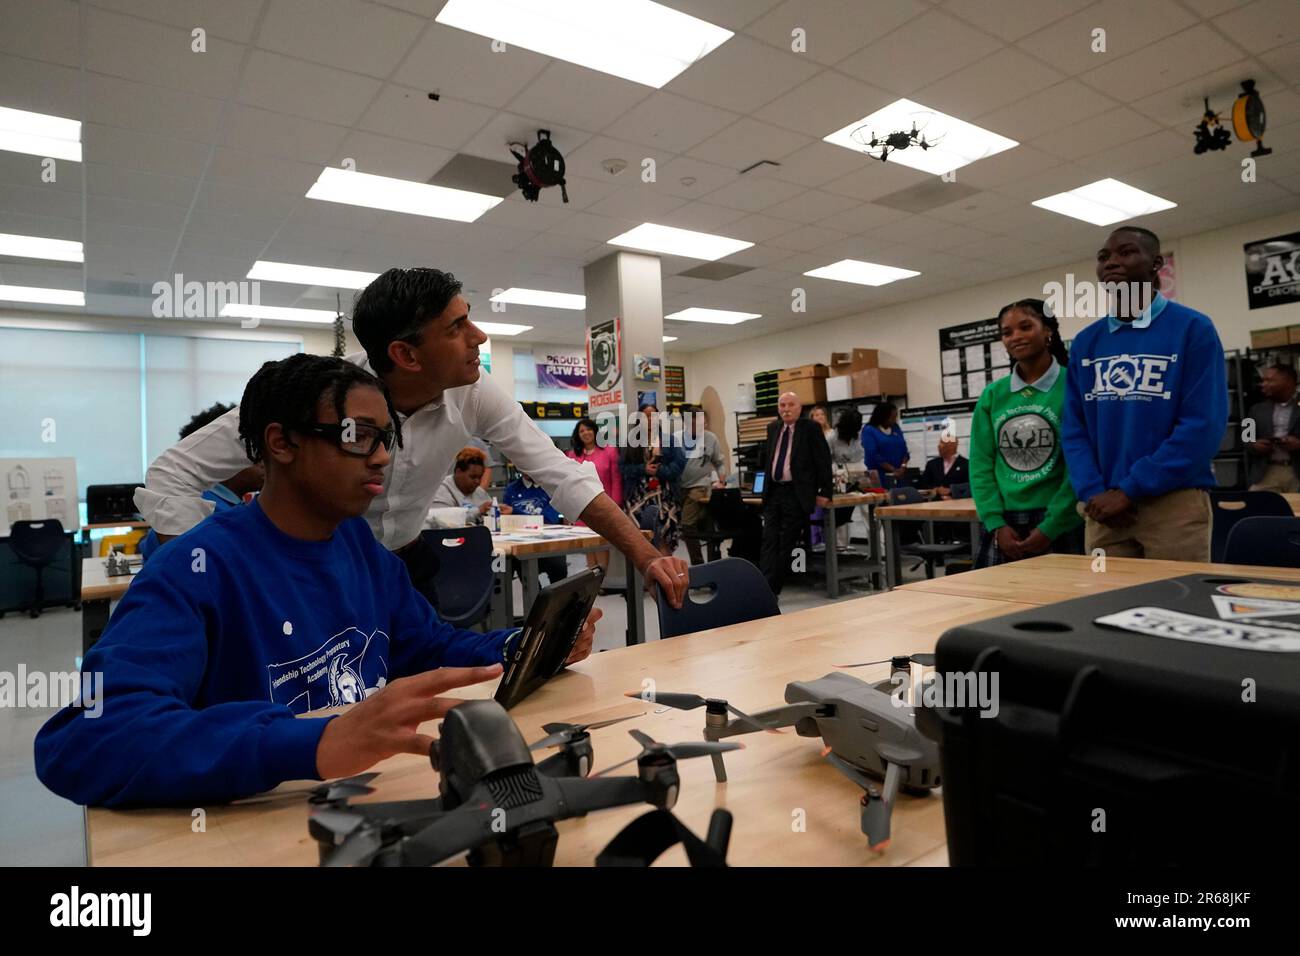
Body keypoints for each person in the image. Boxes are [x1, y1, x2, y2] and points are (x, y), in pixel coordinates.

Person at [34, 355, 601, 807]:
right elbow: (87, 739)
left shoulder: (359, 545)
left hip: (361, 805)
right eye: (358, 435)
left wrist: (522, 645)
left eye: (386, 438)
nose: (381, 458)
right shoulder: (197, 566)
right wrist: (314, 742)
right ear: (281, 443)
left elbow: (427, 647)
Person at [134, 268, 690, 610]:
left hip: (402, 565)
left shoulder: (475, 393)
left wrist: (644, 554)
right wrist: (230, 559)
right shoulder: (310, 398)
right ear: (404, 355)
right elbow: (168, 477)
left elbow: (560, 475)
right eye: (456, 328)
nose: (480, 336)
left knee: (424, 685)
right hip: (316, 573)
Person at [1062, 225, 1227, 561]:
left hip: (1172, 503)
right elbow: (1074, 430)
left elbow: (1202, 426)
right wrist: (1095, 493)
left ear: (1156, 265)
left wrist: (1131, 489)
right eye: (1104, 257)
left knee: (1177, 606)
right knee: (1103, 608)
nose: (1111, 262)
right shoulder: (1085, 342)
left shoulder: (1193, 329)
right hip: (1103, 509)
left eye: (1126, 252)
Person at [970, 298, 1083, 567]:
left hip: (1060, 518)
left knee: (1066, 606)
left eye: (1025, 327)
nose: (1015, 337)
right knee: (999, 606)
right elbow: (981, 464)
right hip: (1004, 524)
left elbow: (1080, 462)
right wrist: (995, 522)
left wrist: (1052, 525)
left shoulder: (1075, 385)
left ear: (1048, 331)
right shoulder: (993, 395)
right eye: (1007, 332)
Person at [138, 402, 265, 560]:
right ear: (219, 458)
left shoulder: (235, 506)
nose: (263, 463)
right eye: (249, 456)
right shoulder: (196, 508)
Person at [759, 391, 832, 596]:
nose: (786, 409)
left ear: (800, 408)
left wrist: (825, 491)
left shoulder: (810, 428)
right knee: (768, 540)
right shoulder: (773, 428)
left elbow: (823, 461)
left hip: (796, 492)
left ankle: (773, 589)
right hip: (774, 491)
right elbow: (770, 460)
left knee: (786, 541)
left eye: (791, 404)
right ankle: (763, 585)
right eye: (782, 405)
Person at [622, 404, 685, 558]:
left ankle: (667, 578)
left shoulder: (670, 440)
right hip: (638, 497)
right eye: (645, 416)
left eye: (653, 416)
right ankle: (651, 577)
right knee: (642, 540)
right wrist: (644, 469)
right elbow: (624, 468)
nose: (650, 420)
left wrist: (659, 471)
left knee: (664, 537)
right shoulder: (631, 441)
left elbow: (679, 466)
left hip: (665, 496)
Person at [566, 416, 622, 573]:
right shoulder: (572, 455)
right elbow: (570, 482)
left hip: (605, 505)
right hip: (582, 506)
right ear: (578, 435)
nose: (586, 433)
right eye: (581, 431)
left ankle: (602, 578)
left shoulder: (609, 451)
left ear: (595, 431)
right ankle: (593, 579)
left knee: (601, 543)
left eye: (588, 429)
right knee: (588, 544)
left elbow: (616, 479)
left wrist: (615, 505)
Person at [678, 407, 728, 565]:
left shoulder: (711, 438)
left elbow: (719, 462)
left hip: (699, 485)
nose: (700, 427)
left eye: (702, 423)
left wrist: (722, 480)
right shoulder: (676, 439)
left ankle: (698, 564)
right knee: (687, 525)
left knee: (687, 524)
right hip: (677, 487)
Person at [502, 471, 568, 586]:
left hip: (548, 545)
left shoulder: (550, 488)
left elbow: (548, 520)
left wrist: (515, 512)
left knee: (559, 570)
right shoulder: (511, 489)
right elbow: (506, 521)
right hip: (521, 546)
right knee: (512, 566)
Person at [1246, 364, 1300, 493]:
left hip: (1297, 472)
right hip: (1265, 473)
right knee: (1257, 510)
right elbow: (1244, 438)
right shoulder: (1255, 409)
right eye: (1263, 380)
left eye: (1269, 380)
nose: (1263, 384)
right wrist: (1254, 444)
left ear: (1288, 382)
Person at [426, 446, 510, 527]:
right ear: (458, 472)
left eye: (480, 477)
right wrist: (478, 511)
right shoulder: (440, 490)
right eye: (472, 477)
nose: (477, 481)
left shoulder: (479, 493)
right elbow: (442, 520)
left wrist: (499, 512)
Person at [861, 401, 909, 485]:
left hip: (899, 475)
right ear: (882, 417)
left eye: (895, 417)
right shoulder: (869, 430)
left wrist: (903, 466)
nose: (894, 420)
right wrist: (892, 469)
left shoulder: (896, 428)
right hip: (879, 476)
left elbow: (904, 450)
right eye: (892, 418)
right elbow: (873, 455)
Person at [919, 435, 970, 499]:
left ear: (954, 446)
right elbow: (923, 484)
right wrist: (936, 489)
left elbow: (969, 486)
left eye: (944, 444)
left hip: (958, 502)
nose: (940, 446)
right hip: (934, 502)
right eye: (940, 444)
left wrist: (951, 490)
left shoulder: (966, 464)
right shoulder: (932, 464)